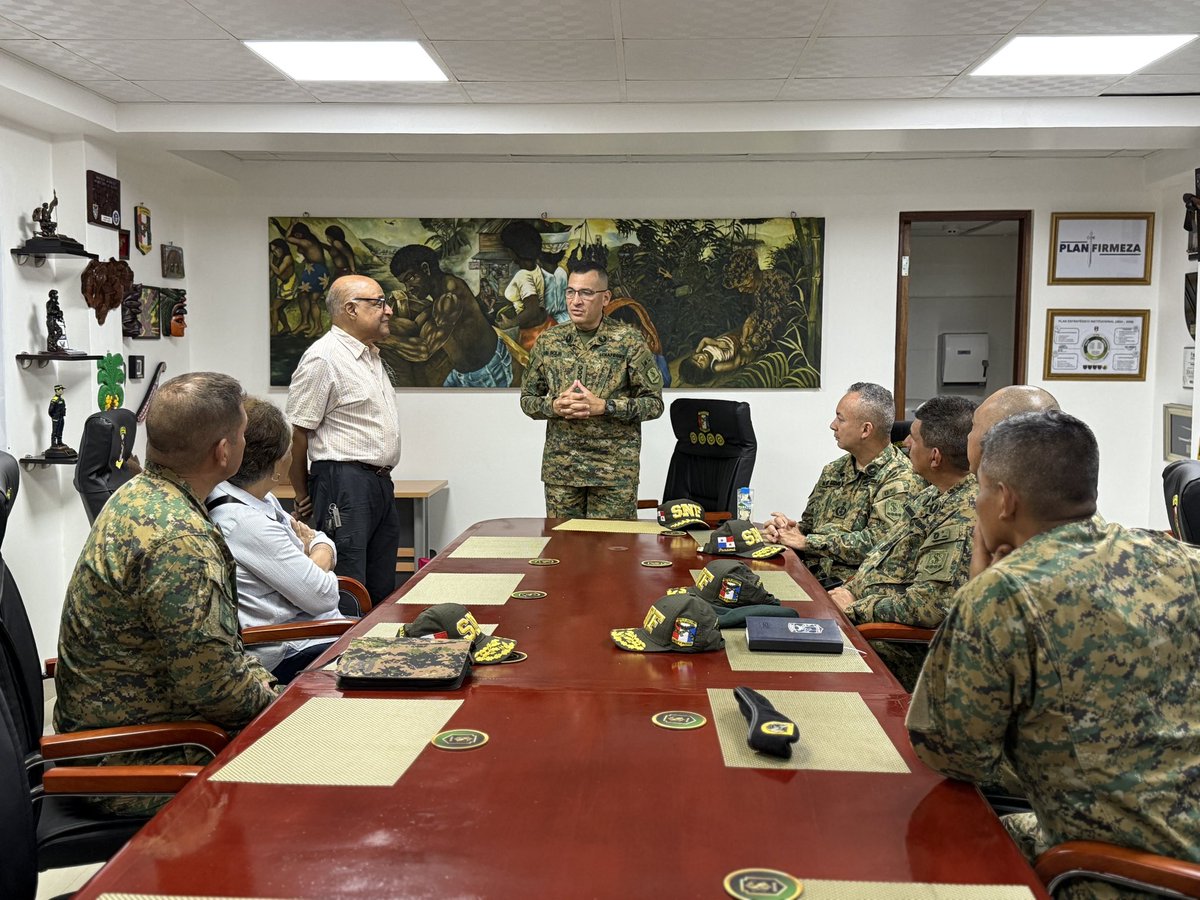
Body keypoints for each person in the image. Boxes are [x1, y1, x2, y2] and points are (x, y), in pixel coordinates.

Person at [907, 410, 1200, 888]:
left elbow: (953, 756)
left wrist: (978, 587)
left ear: (1004, 500)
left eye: (980, 488)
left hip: (1111, 871)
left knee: (935, 841)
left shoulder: (1003, 596)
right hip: (1186, 852)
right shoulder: (1184, 560)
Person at [54, 372, 277, 817]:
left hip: (120, 733)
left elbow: (216, 659)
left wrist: (270, 686)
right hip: (139, 756)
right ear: (224, 451)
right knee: (315, 766)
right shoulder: (178, 540)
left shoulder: (140, 493)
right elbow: (216, 689)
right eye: (241, 433)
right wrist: (289, 707)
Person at [827, 396, 977, 691]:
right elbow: (883, 555)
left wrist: (857, 607)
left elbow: (927, 607)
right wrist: (848, 590)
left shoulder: (962, 515)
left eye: (915, 438)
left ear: (935, 456)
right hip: (857, 618)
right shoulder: (933, 493)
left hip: (892, 648)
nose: (906, 442)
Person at [208, 398, 344, 684]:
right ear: (277, 467)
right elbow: (324, 596)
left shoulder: (257, 497)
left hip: (315, 630)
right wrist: (320, 553)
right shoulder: (243, 522)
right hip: (290, 648)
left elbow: (317, 538)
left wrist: (316, 552)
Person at [286, 274, 401, 605]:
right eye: (378, 302)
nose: (388, 310)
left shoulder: (370, 355)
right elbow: (298, 433)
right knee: (350, 582)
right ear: (351, 309)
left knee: (381, 584)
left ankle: (379, 650)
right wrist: (302, 492)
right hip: (343, 481)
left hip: (378, 481)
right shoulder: (324, 358)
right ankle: (345, 653)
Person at [519, 259, 664, 519]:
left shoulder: (628, 341)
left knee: (613, 554)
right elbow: (528, 400)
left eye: (586, 293)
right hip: (562, 470)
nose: (576, 301)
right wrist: (553, 406)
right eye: (570, 292)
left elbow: (654, 404)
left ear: (605, 297)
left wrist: (605, 407)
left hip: (614, 472)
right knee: (563, 553)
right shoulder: (548, 341)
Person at [763, 382, 921, 586]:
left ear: (866, 430)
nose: (832, 425)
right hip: (810, 575)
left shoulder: (902, 478)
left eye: (840, 418)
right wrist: (786, 530)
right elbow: (809, 527)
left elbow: (878, 543)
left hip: (851, 588)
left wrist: (807, 542)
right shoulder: (833, 470)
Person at [965, 384, 1060, 578]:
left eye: (973, 426)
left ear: (993, 441)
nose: (967, 436)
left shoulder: (994, 518)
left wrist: (979, 588)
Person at [390, 244, 514, 388]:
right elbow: (415, 326)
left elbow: (424, 350)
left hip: (487, 373)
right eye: (404, 283)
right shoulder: (440, 293)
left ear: (425, 269)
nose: (408, 288)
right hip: (464, 373)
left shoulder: (450, 295)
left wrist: (386, 340)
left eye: (410, 278)